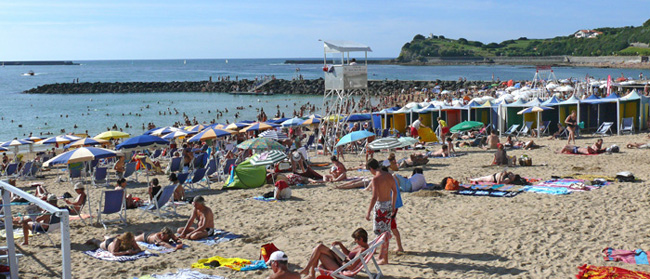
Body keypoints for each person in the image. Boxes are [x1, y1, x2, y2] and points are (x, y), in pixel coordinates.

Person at [299, 228, 370, 279]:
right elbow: (348, 253)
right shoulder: (361, 246)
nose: (355, 241)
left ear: (361, 239)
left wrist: (340, 260)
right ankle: (310, 272)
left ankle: (310, 273)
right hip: (342, 261)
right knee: (319, 248)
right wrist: (340, 244)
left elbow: (351, 267)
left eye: (356, 239)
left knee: (319, 252)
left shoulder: (362, 251)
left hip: (342, 267)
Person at [365, 159, 396, 264]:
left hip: (380, 207)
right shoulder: (389, 175)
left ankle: (383, 258)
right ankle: (384, 257)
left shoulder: (376, 179)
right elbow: (395, 191)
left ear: (371, 168)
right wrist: (393, 204)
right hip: (388, 205)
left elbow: (374, 197)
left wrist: (368, 211)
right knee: (386, 232)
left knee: (379, 234)